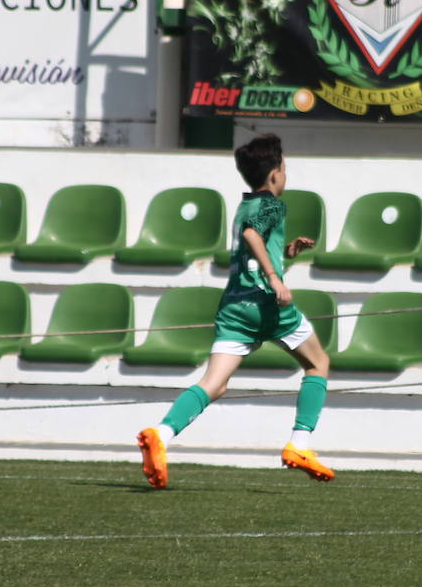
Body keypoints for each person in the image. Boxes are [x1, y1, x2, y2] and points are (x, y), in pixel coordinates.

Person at [136, 134, 333, 489]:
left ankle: (161, 434)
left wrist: (288, 251)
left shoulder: (244, 205)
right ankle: (299, 445)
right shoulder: (273, 205)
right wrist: (275, 277)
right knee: (318, 363)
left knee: (215, 384)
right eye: (284, 169)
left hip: (234, 307)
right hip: (265, 304)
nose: (286, 175)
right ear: (274, 175)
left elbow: (253, 244)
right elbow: (252, 238)